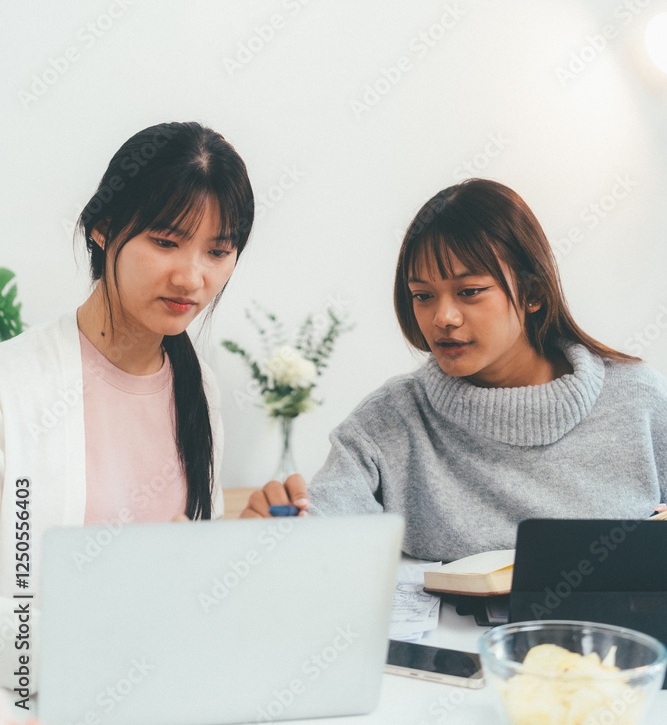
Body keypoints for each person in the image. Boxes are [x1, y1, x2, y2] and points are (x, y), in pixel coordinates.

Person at [241, 179, 667, 562]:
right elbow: (323, 527)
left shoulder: (638, 400)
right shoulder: (388, 421)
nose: (443, 318)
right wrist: (282, 530)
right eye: (423, 296)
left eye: (469, 291)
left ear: (532, 292)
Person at [0, 121, 254, 691]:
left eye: (218, 251)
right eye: (165, 241)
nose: (191, 277)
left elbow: (192, 586)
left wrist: (242, 558)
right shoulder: (12, 386)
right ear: (103, 228)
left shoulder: (200, 388)